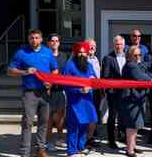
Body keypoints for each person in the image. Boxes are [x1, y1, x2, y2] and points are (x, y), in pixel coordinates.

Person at [8, 29, 58, 157]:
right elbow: (10, 71)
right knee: (27, 122)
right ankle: (25, 152)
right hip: (29, 93)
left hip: (45, 92)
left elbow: (55, 70)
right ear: (28, 39)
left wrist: (50, 82)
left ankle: (40, 149)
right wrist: (25, 72)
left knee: (44, 122)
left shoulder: (48, 52)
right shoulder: (21, 53)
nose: (34, 40)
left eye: (37, 38)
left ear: (41, 39)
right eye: (32, 38)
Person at [63, 41, 98, 157]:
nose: (82, 55)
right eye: (79, 53)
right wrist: (80, 90)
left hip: (87, 100)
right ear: (75, 53)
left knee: (84, 125)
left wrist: (93, 80)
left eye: (84, 53)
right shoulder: (69, 66)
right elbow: (66, 85)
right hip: (75, 101)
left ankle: (81, 146)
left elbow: (94, 79)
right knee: (73, 126)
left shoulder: (89, 65)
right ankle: (72, 151)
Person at [121, 46, 152, 157]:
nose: (138, 57)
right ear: (129, 55)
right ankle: (129, 150)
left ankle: (133, 146)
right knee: (132, 125)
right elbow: (140, 77)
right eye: (135, 55)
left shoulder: (139, 64)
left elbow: (147, 72)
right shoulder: (130, 65)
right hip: (131, 99)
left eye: (139, 55)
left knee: (136, 125)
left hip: (138, 99)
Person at [101, 35, 126, 149]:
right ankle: (111, 140)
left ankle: (123, 136)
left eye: (121, 44)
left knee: (124, 115)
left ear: (124, 45)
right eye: (117, 44)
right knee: (112, 116)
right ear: (114, 45)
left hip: (126, 92)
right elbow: (104, 76)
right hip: (113, 92)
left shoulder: (128, 57)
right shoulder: (108, 58)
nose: (119, 46)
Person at [45, 34, 68, 151]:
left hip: (60, 90)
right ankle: (48, 142)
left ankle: (60, 138)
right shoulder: (45, 55)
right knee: (48, 117)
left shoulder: (64, 56)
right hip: (48, 91)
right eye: (52, 41)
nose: (54, 43)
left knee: (60, 117)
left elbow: (67, 72)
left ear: (59, 43)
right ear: (48, 43)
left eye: (56, 41)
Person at [85, 38, 101, 149]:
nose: (92, 48)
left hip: (96, 90)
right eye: (90, 46)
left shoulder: (96, 59)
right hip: (86, 91)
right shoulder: (82, 59)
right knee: (87, 114)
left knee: (94, 113)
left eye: (94, 46)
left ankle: (90, 137)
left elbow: (98, 76)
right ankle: (85, 139)